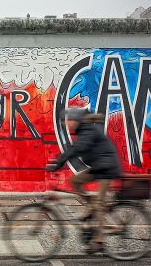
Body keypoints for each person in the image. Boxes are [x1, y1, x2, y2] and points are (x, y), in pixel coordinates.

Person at [46, 107, 121, 254]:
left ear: (76, 120)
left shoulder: (89, 130)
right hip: (98, 167)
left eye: (68, 120)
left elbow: (77, 148)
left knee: (99, 204)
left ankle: (99, 241)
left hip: (106, 169)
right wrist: (58, 162)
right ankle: (91, 206)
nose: (66, 124)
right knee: (75, 181)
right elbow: (73, 148)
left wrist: (59, 163)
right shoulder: (84, 130)